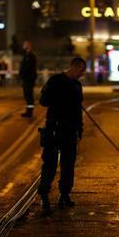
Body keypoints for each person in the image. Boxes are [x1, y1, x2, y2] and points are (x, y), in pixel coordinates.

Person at [37, 57, 87, 215]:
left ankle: (64, 194)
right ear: (73, 67)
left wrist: (80, 129)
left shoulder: (77, 85)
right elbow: (43, 101)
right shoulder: (55, 81)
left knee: (68, 164)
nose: (82, 73)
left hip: (70, 131)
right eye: (81, 70)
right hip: (54, 129)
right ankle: (44, 195)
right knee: (50, 164)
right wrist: (58, 97)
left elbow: (78, 110)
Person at [18, 41, 38, 118]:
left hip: (29, 79)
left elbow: (28, 67)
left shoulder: (31, 56)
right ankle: (28, 111)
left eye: (24, 45)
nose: (23, 46)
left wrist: (23, 74)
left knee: (29, 95)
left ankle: (30, 112)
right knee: (27, 95)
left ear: (28, 46)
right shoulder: (26, 55)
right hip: (26, 78)